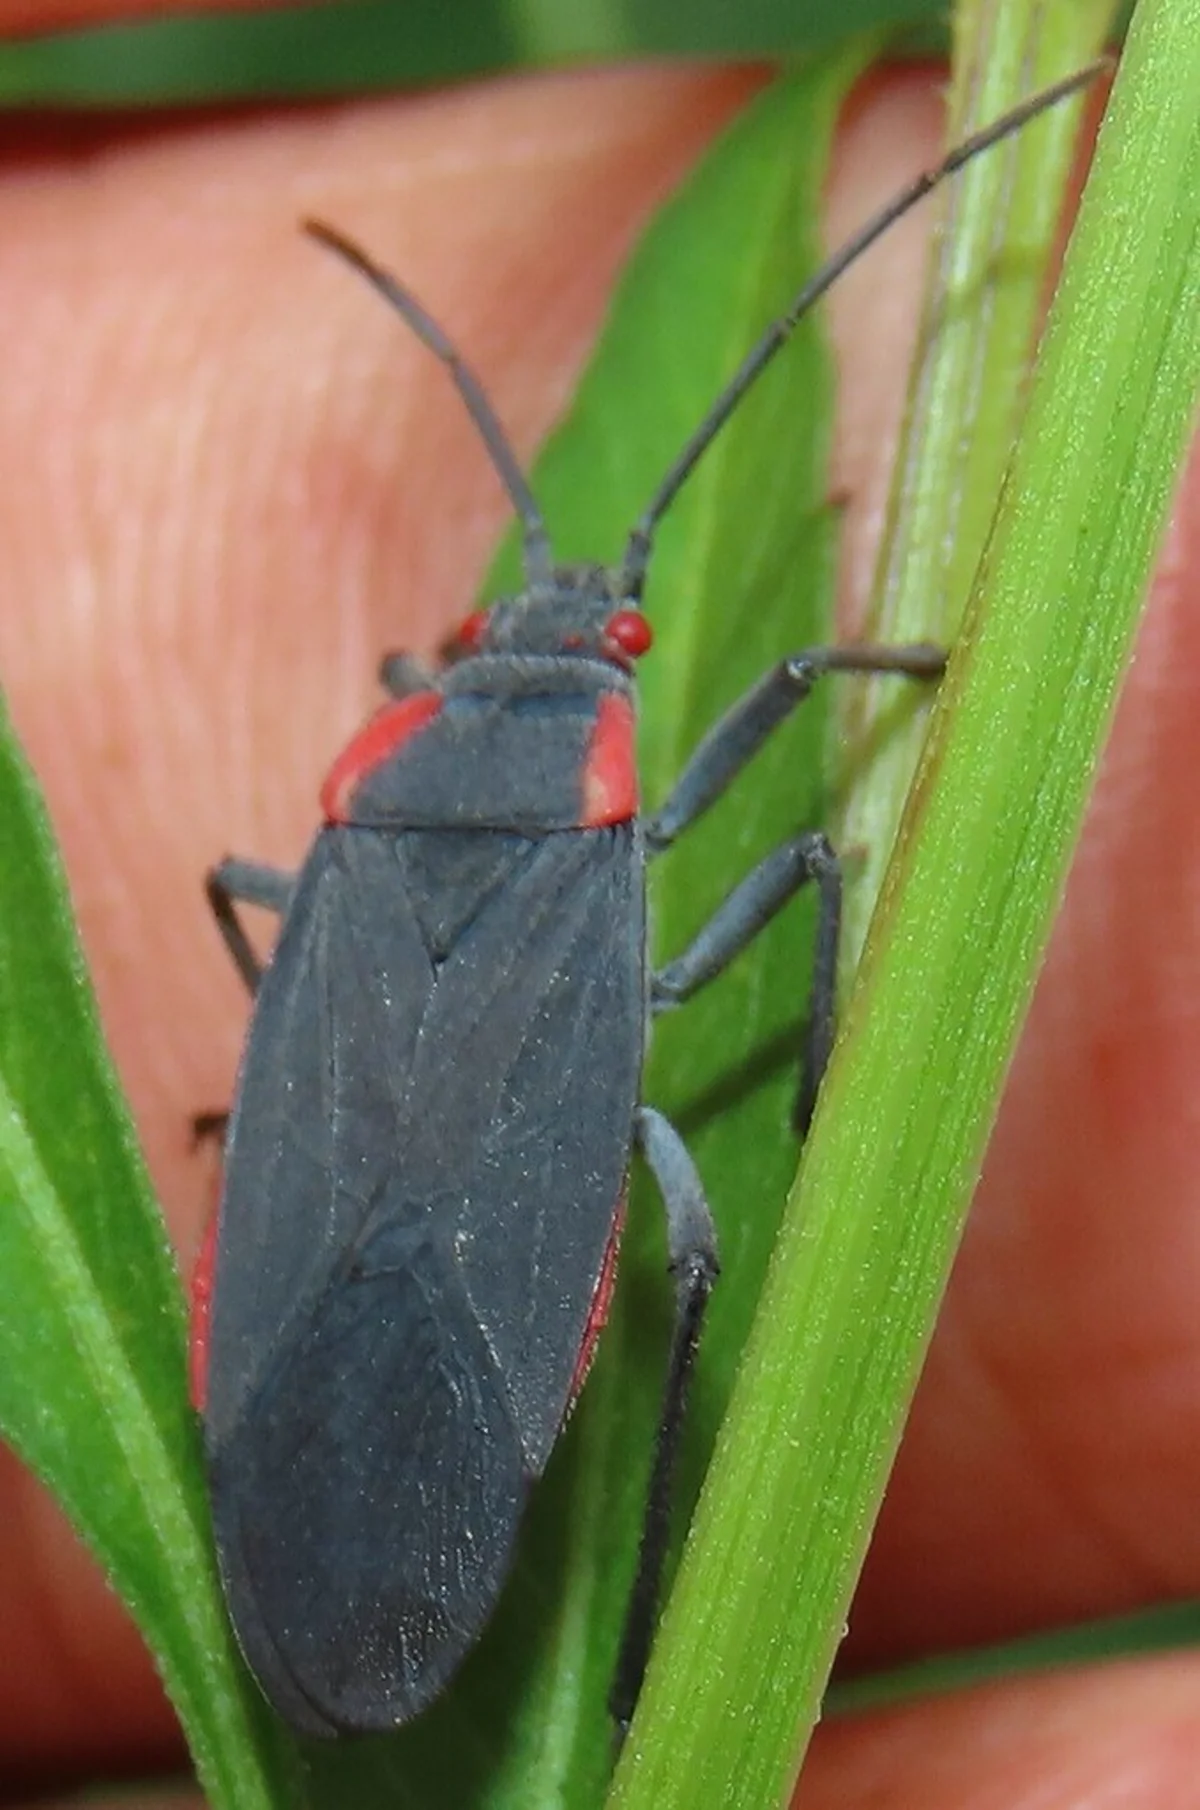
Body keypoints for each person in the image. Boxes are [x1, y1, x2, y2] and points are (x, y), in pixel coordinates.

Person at [0, 46, 1196, 1808]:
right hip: (504, 1166)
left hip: (363, 1186)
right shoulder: (576, 834)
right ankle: (640, 1654)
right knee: (710, 1226)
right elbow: (805, 776)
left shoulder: (350, 838)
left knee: (258, 910)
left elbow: (233, 902)